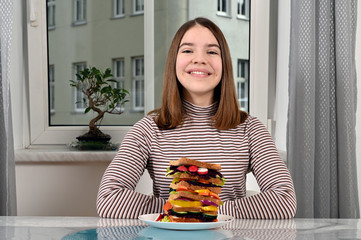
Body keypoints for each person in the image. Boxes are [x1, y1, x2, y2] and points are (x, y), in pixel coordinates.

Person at [96, 17, 297, 219]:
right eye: (187, 50)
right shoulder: (149, 129)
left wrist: (200, 209)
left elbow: (284, 200)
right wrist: (190, 208)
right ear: (174, 61)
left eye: (211, 51)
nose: (200, 59)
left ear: (224, 64)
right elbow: (108, 199)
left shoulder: (250, 129)